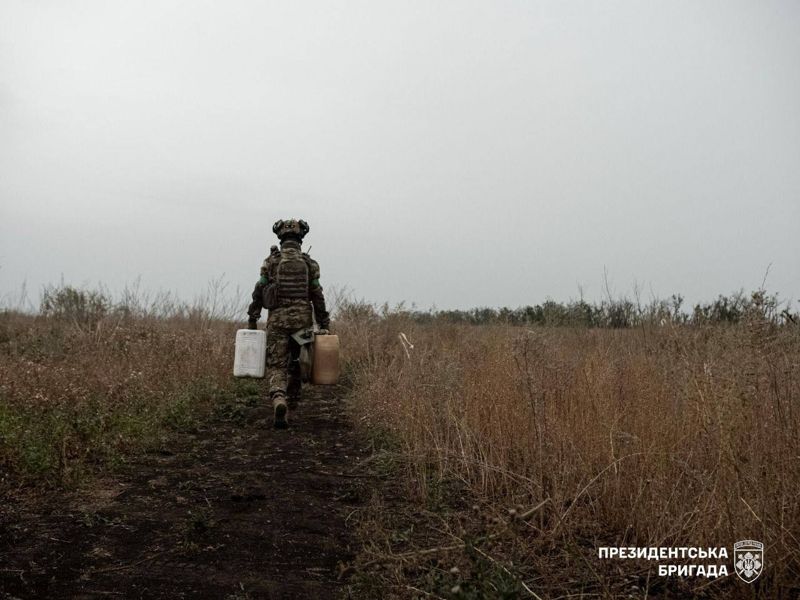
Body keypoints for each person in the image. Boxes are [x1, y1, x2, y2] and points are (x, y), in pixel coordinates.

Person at [247, 219, 331, 428]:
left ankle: (279, 399)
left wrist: (253, 317)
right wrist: (323, 322)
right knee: (296, 365)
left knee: (277, 364)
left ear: (280, 238)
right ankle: (291, 408)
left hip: (278, 322)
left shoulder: (271, 262)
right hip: (302, 323)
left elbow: (259, 290)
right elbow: (317, 294)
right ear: (301, 238)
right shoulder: (310, 264)